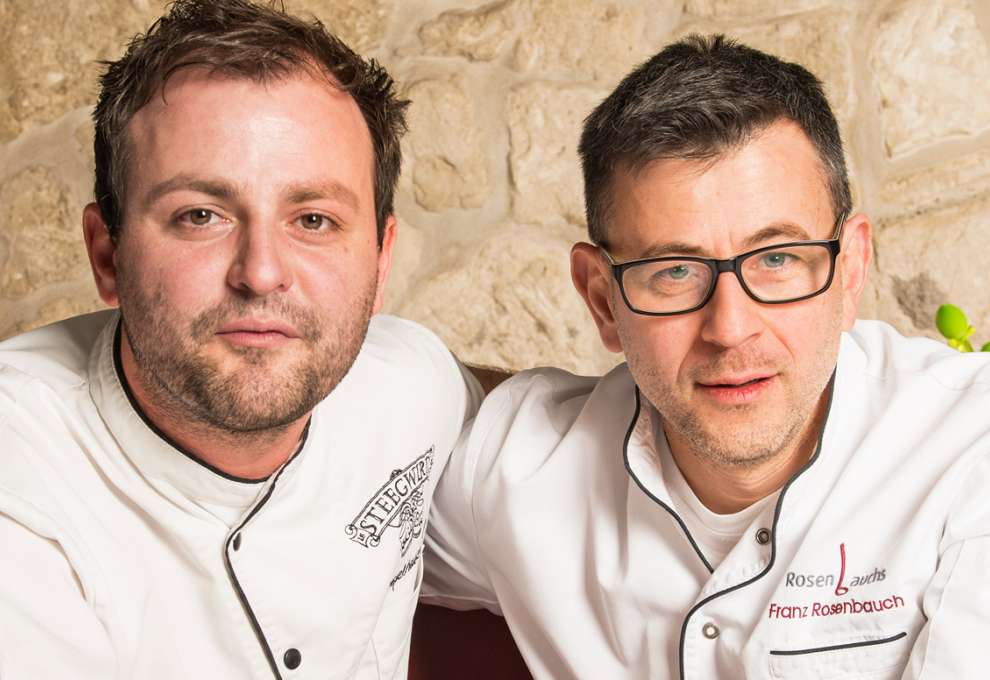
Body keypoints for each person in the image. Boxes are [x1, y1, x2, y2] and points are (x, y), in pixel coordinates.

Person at [422, 34, 990, 679]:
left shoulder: (971, 454)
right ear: (602, 300)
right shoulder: (508, 472)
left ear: (851, 269)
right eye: (674, 271)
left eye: (776, 259)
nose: (730, 328)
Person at [0, 1, 480, 678]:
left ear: (379, 260)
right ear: (107, 255)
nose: (260, 272)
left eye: (313, 219)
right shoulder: (20, 502)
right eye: (200, 215)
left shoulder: (413, 382)